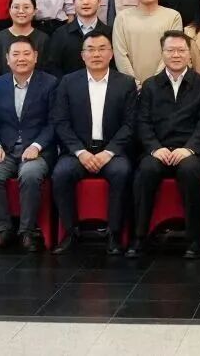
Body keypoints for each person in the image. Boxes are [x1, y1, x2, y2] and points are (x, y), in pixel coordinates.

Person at [50, 31, 137, 256]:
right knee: (61, 174)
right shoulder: (68, 82)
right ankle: (71, 233)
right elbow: (61, 122)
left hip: (112, 151)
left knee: (122, 172)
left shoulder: (125, 83)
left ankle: (114, 234)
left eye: (101, 49)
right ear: (82, 55)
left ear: (111, 54)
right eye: (90, 49)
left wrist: (109, 152)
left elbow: (130, 124)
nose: (96, 54)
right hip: (78, 151)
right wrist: (80, 152)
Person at [132, 31, 200, 259]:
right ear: (162, 53)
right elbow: (142, 122)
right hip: (158, 149)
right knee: (146, 170)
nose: (176, 55)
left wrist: (189, 148)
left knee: (190, 170)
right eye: (170, 50)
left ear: (189, 54)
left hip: (189, 150)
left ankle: (194, 240)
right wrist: (154, 147)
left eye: (181, 50)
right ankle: (140, 237)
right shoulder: (150, 85)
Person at [0, 36, 58, 252]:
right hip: (5, 150)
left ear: (35, 57)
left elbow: (54, 123)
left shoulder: (50, 83)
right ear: (7, 59)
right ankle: (3, 229)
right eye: (15, 54)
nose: (21, 58)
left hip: (38, 150)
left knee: (30, 174)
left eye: (26, 53)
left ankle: (27, 232)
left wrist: (37, 146)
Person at [112, 0, 183, 85]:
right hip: (130, 87)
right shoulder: (122, 18)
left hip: (163, 85)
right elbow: (120, 55)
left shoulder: (173, 17)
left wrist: (154, 84)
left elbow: (172, 53)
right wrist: (133, 83)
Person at [45, 0, 111, 78]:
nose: (86, 2)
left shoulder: (109, 33)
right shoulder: (60, 34)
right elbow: (53, 67)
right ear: (73, 2)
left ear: (99, 2)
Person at [0, 0, 51, 80]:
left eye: (26, 7)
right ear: (10, 10)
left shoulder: (43, 39)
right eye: (16, 7)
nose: (21, 11)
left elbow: (47, 72)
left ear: (34, 11)